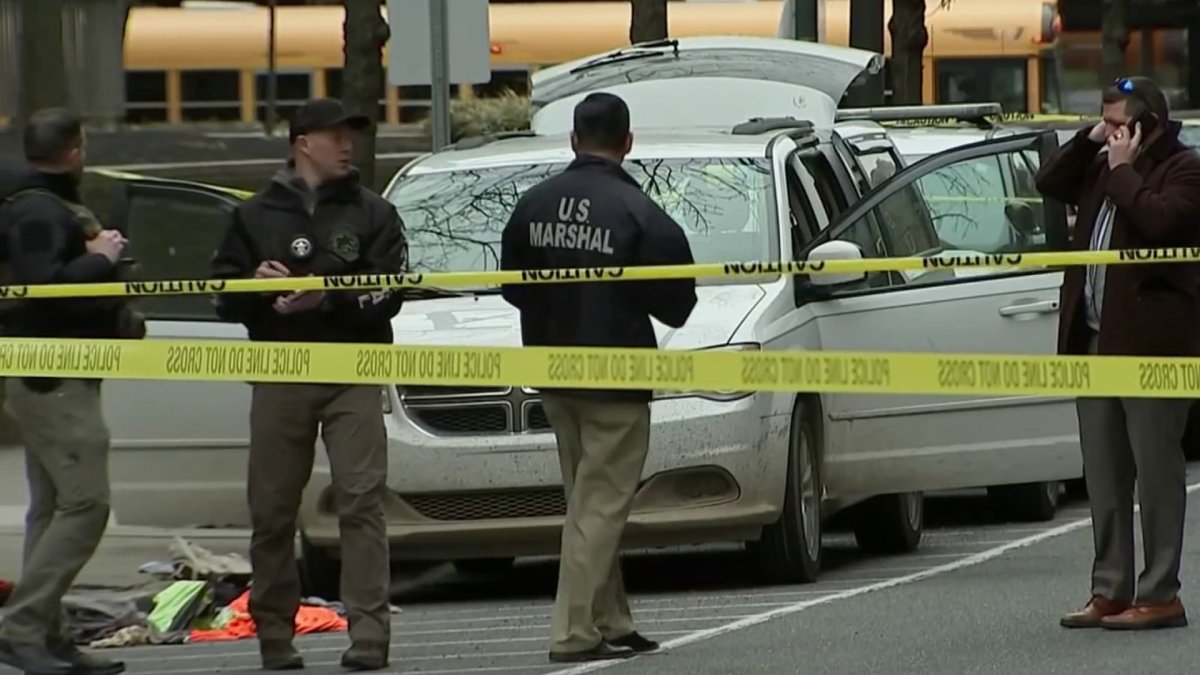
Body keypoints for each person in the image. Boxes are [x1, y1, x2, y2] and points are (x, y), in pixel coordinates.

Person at [209, 98, 408, 670]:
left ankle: (370, 635)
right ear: (303, 142)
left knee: (361, 501)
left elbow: (391, 289)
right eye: (335, 134)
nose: (347, 144)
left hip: (353, 371)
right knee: (272, 508)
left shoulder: (374, 212)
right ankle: (275, 636)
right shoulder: (253, 216)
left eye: (351, 134)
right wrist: (253, 285)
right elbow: (221, 295)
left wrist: (328, 295)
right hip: (282, 371)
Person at [499, 92, 698, 663]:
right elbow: (678, 305)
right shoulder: (639, 212)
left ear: (572, 139)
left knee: (588, 504)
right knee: (600, 507)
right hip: (616, 378)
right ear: (628, 143)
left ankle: (611, 618)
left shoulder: (532, 205)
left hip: (554, 376)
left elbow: (514, 287)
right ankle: (574, 632)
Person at [1035, 76, 1200, 631]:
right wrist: (1088, 141)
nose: (1107, 135)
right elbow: (1048, 181)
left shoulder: (1183, 168)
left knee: (1155, 475)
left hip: (1153, 348)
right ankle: (1109, 589)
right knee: (1104, 477)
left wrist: (1125, 170)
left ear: (1145, 125)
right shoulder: (1100, 160)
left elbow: (1160, 223)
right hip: (1095, 341)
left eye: (1115, 124)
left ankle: (1160, 593)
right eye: (1103, 123)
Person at [0, 108, 142, 675]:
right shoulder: (38, 210)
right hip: (53, 376)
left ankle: (47, 636)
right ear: (76, 152)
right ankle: (24, 627)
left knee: (53, 507)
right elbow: (44, 292)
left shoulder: (35, 204)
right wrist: (100, 260)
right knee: (87, 504)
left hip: (55, 370)